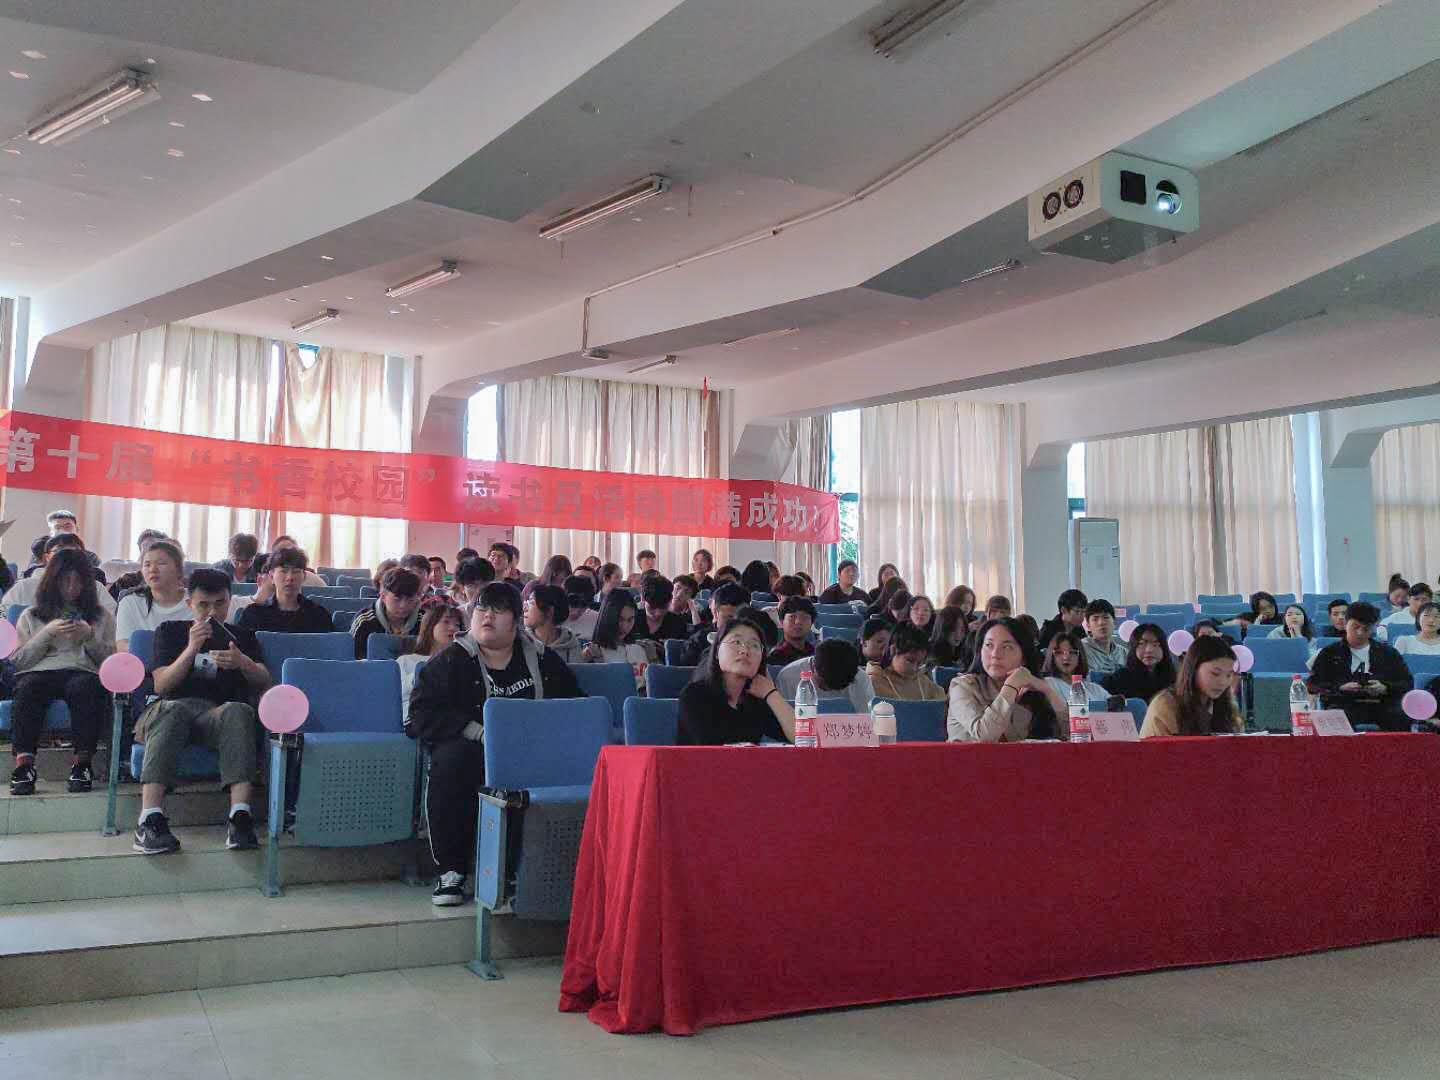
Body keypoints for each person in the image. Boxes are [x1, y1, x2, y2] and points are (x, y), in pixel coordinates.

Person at [407, 582, 581, 904]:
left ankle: (519, 871)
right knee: (451, 762)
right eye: (482, 609)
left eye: (498, 610)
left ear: (516, 621)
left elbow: (574, 706)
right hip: (470, 749)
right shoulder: (450, 661)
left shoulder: (542, 660)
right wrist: (476, 732)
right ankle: (452, 871)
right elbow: (419, 716)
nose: (487, 616)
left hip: (528, 748)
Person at [132, 569, 270, 854]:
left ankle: (240, 817)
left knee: (238, 710)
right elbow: (162, 685)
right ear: (189, 603)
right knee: (173, 710)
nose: (212, 612)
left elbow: (264, 681)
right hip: (167, 711)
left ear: (230, 601)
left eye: (220, 603)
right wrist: (191, 648)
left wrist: (242, 662)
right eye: (203, 605)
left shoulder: (241, 637)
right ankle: (149, 819)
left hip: (215, 715)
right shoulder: (170, 632)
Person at [8, 548, 116, 795]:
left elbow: (109, 663)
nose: (71, 588)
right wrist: (47, 633)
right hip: (39, 672)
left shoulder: (101, 617)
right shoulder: (31, 615)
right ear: (52, 581)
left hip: (82, 671)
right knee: (28, 688)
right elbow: (20, 662)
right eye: (65, 581)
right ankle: (24, 766)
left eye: (78, 581)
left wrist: (88, 636)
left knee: (85, 688)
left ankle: (82, 764)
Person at [677, 615, 796, 745]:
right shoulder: (695, 695)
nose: (745, 650)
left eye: (754, 645)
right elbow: (712, 750)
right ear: (716, 652)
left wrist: (771, 693)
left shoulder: (756, 700)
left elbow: (801, 737)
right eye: (736, 642)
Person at [949, 617, 1069, 743]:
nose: (995, 654)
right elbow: (985, 737)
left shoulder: (1031, 690)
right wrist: (1011, 686)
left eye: (1006, 647)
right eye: (989, 645)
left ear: (1024, 657)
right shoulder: (963, 687)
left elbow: (1073, 735)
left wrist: (1047, 690)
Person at [1308, 602, 1413, 731]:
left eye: (1366, 629)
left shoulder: (1388, 653)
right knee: (1335, 716)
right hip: (1343, 702)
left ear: (1373, 627)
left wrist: (1385, 687)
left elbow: (1406, 682)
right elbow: (1313, 684)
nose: (1360, 633)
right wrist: (1340, 687)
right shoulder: (1329, 653)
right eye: (1355, 627)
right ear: (1346, 623)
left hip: (1381, 703)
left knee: (1400, 716)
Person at [1139, 635, 1242, 738]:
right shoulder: (1165, 705)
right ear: (1194, 668)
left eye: (1229, 675)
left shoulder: (1226, 705)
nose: (1223, 682)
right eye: (1215, 673)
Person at [2, 533, 118, 614]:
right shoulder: (24, 587)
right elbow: (4, 617)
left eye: (74, 551)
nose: (66, 557)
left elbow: (108, 623)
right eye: (59, 551)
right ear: (47, 557)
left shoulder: (95, 588)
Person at [396, 603, 464, 728]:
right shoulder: (405, 661)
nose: (453, 628)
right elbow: (396, 693)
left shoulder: (461, 663)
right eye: (446, 622)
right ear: (430, 626)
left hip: (449, 722)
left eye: (457, 625)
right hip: (413, 721)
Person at [116, 540, 191, 651]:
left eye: (161, 563)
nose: (152, 569)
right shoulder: (130, 602)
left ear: (179, 570)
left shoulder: (198, 601)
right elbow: (123, 646)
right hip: (143, 661)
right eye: (147, 565)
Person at [237, 548, 333, 634]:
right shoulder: (254, 614)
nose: (289, 578)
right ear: (271, 576)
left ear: (304, 576)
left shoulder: (318, 615)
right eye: (283, 571)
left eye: (296, 571)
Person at [776, 638, 875, 713]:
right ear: (814, 666)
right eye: (824, 684)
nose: (829, 689)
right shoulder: (788, 678)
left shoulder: (860, 679)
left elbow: (866, 721)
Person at [581, 590, 651, 688]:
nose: (625, 626)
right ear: (608, 617)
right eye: (620, 619)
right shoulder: (592, 653)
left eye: (630, 619)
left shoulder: (642, 648)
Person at [350, 567, 424, 659]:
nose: (403, 605)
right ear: (383, 596)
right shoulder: (364, 621)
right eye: (397, 599)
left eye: (410, 599)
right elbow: (352, 659)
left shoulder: (424, 621)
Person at [1101, 623, 1178, 703]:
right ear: (1133, 647)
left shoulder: (1174, 679)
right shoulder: (1118, 679)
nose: (1149, 650)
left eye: (1155, 644)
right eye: (1141, 644)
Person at [870, 623, 945, 701]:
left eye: (919, 663)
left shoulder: (924, 682)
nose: (915, 668)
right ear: (893, 650)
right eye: (909, 661)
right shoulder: (873, 682)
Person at [678, 582, 746, 668]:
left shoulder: (753, 643)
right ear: (716, 614)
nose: (735, 624)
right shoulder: (698, 641)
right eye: (729, 618)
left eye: (741, 619)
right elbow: (688, 671)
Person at [1040, 630, 1108, 703]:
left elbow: (1112, 704)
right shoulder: (1047, 684)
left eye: (1072, 652)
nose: (1066, 657)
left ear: (1080, 656)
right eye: (1059, 652)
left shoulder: (1094, 689)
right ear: (1051, 656)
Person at [524, 585, 585, 665]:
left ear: (549, 611)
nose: (525, 608)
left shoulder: (571, 645)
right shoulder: (522, 642)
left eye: (531, 603)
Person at [632, 576, 689, 645]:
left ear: (670, 600)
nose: (658, 613)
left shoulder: (678, 624)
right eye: (652, 608)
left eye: (663, 607)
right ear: (643, 599)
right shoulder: (630, 619)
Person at [1080, 599, 1127, 676]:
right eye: (1095, 619)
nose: (1101, 623)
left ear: (1114, 622)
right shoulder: (1081, 650)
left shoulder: (1123, 653)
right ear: (1088, 626)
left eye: (1106, 617)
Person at [769, 596, 816, 666]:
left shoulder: (816, 655)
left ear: (811, 624)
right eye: (792, 617)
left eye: (804, 617)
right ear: (782, 622)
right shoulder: (774, 658)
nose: (798, 622)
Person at [562, 574, 600, 639]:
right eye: (574, 604)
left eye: (584, 605)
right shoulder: (551, 619)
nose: (577, 611)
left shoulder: (597, 621)